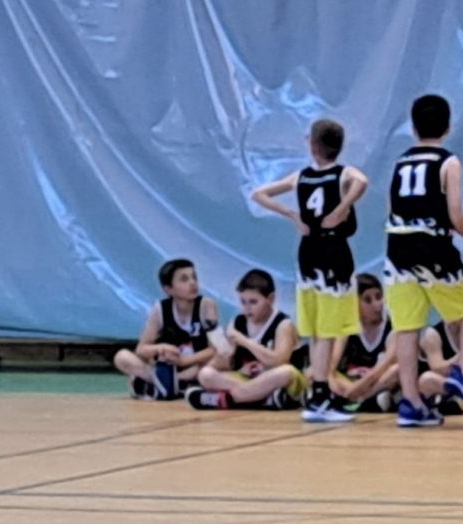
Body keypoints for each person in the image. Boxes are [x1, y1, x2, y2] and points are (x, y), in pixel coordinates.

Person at [384, 94, 463, 427]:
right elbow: (455, 213)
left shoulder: (401, 162)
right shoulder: (448, 162)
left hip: (397, 247)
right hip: (431, 244)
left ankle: (412, 404)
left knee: (406, 328)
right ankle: (461, 373)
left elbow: (391, 208)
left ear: (413, 127)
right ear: (448, 127)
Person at [251, 118, 369, 423]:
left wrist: (292, 214)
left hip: (308, 254)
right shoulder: (342, 174)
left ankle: (318, 393)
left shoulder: (301, 176)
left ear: (313, 145)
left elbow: (259, 193)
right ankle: (321, 394)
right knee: (327, 330)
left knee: (317, 330)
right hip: (333, 252)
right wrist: (341, 208)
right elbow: (362, 181)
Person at [185, 269, 306, 410]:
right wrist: (234, 363)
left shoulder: (284, 324)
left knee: (286, 372)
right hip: (252, 382)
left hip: (279, 381)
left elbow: (279, 361)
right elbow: (224, 364)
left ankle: (227, 400)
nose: (247, 308)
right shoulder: (238, 322)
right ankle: (263, 399)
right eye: (243, 302)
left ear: (271, 299)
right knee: (206, 374)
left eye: (253, 302)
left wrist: (244, 341)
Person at [113, 258, 218, 399]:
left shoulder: (207, 305)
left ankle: (162, 385)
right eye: (184, 279)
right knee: (122, 357)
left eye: (194, 277)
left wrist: (184, 361)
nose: (192, 283)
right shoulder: (160, 310)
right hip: (168, 368)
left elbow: (215, 349)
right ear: (168, 289)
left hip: (195, 365)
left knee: (220, 360)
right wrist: (160, 348)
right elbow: (141, 349)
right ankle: (169, 384)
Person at [329, 273, 399, 412]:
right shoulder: (347, 328)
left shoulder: (393, 327)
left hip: (375, 382)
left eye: (379, 297)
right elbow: (330, 366)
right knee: (316, 372)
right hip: (350, 382)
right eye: (368, 300)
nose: (377, 305)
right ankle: (369, 400)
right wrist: (332, 384)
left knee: (397, 370)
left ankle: (362, 400)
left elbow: (385, 365)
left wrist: (358, 390)